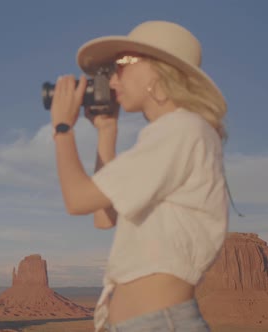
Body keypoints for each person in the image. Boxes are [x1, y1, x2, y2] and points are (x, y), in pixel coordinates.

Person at [50, 21, 228, 332]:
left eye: (122, 65)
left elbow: (77, 200)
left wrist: (63, 128)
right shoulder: (170, 135)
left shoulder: (182, 129)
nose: (113, 78)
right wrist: (107, 131)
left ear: (159, 71)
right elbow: (103, 218)